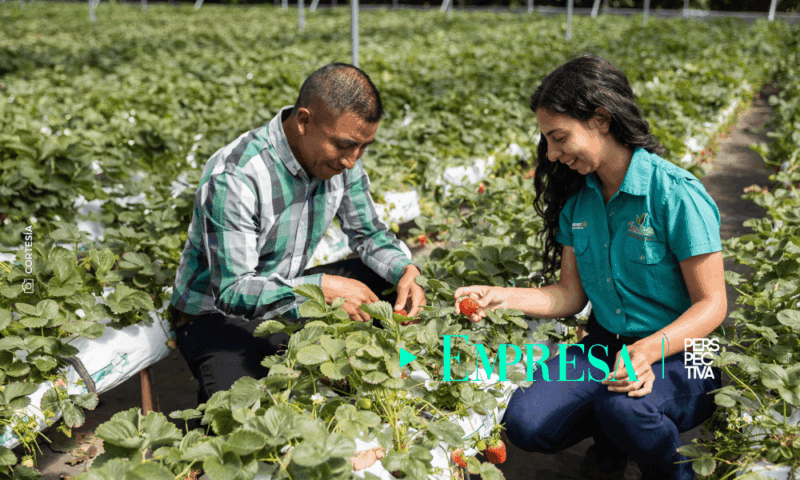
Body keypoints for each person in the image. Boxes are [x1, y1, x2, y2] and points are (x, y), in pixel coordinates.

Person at [453, 54, 725, 480]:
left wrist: (649, 350)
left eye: (559, 138)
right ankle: (615, 439)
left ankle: (672, 469)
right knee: (526, 423)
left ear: (601, 119)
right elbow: (570, 295)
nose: (553, 153)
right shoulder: (580, 202)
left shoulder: (674, 194)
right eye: (547, 141)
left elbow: (713, 304)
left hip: (688, 354)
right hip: (607, 345)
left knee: (624, 407)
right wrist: (501, 297)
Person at [170, 63, 426, 406]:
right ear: (303, 121)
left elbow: (368, 234)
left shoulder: (341, 159)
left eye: (364, 147)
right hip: (216, 315)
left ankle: (404, 368)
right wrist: (319, 290)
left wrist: (404, 270)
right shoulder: (237, 175)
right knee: (243, 414)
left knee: (388, 283)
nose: (352, 160)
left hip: (285, 289)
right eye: (345, 145)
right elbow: (232, 291)